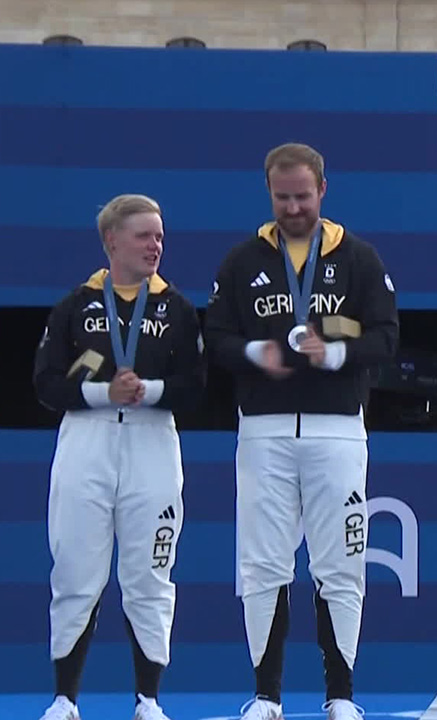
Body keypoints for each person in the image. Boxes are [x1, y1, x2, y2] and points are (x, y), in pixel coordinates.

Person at [203, 143, 400, 720]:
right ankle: (266, 695)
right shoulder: (241, 262)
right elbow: (214, 340)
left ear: (323, 191)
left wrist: (334, 354)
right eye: (282, 197)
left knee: (341, 562)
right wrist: (252, 352)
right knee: (263, 563)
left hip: (337, 429)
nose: (292, 207)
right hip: (262, 429)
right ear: (269, 193)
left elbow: (386, 339)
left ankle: (340, 696)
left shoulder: (359, 258)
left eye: (302, 196)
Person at [32, 194, 204, 720]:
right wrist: (104, 393)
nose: (155, 245)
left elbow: (195, 389)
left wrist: (146, 391)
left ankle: (148, 700)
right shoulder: (73, 307)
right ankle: (65, 699)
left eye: (159, 236)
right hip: (87, 440)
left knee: (151, 573)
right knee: (76, 571)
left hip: (153, 442)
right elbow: (44, 383)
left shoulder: (176, 309)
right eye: (143, 236)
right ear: (112, 241)